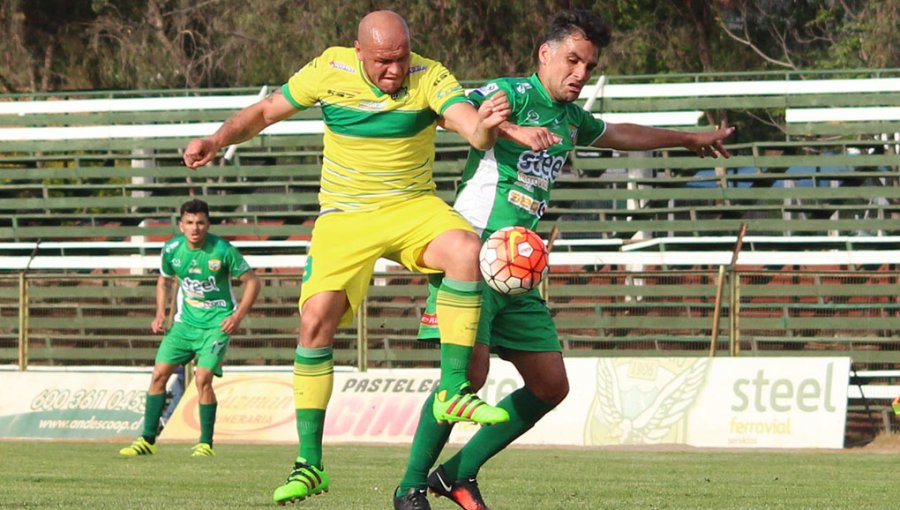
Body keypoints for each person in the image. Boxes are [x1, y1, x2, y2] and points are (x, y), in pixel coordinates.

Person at [393, 9, 735, 510]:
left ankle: (459, 474)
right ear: (545, 54)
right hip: (473, 253)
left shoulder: (571, 118)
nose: (580, 73)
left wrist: (687, 139)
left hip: (518, 273)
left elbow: (621, 134)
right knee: (469, 377)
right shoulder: (512, 93)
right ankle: (409, 487)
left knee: (551, 385)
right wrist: (512, 130)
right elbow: (454, 113)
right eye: (572, 60)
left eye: (589, 67)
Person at [182, 10, 512, 504]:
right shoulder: (327, 70)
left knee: (466, 249)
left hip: (412, 208)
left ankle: (452, 391)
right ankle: (310, 465)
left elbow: (470, 127)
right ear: (358, 52)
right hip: (344, 217)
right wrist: (216, 139)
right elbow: (265, 112)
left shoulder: (430, 75)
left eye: (401, 58)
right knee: (315, 320)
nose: (395, 71)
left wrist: (485, 129)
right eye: (383, 62)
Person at [119, 198, 260, 458]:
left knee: (202, 377)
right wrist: (160, 313)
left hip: (216, 325)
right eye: (190, 222)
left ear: (208, 225)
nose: (195, 228)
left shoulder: (222, 250)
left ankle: (205, 443)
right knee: (159, 375)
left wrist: (237, 316)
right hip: (184, 325)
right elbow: (163, 281)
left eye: (201, 223)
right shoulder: (172, 249)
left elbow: (252, 282)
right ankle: (147, 439)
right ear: (181, 225)